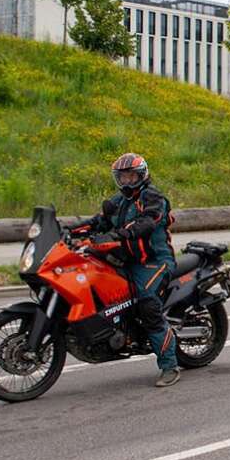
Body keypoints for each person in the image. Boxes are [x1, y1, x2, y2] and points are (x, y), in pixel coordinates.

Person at [72, 153, 180, 387]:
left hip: (153, 261)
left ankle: (169, 365)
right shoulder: (118, 202)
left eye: (131, 176)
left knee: (147, 303)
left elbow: (147, 222)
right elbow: (96, 222)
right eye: (122, 177)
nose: (127, 181)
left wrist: (120, 234)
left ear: (142, 175)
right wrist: (68, 230)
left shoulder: (153, 197)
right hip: (125, 259)